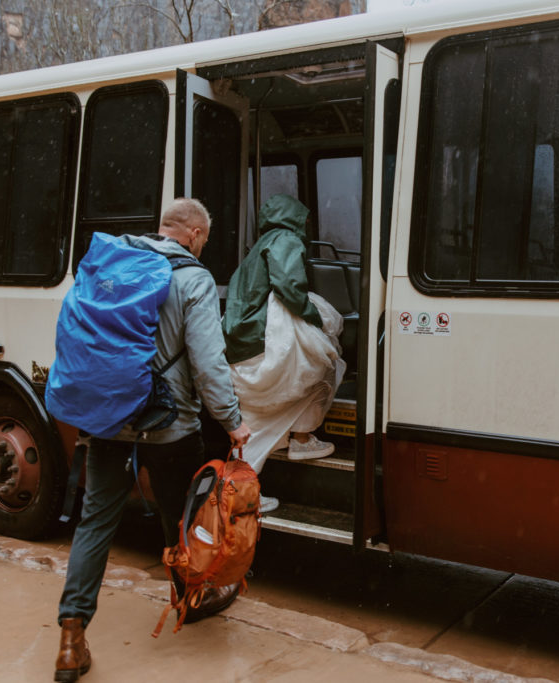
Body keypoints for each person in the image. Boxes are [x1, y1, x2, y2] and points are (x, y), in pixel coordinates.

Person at [54, 198, 251, 682]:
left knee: (96, 520)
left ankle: (71, 636)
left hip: (107, 417)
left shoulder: (113, 265)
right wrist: (232, 421)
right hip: (170, 424)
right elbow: (207, 364)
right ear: (197, 235)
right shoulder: (193, 278)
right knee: (180, 515)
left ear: (163, 229)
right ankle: (188, 597)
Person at [223, 194, 345, 514]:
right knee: (322, 369)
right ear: (294, 218)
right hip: (262, 342)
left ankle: (244, 484)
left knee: (256, 419)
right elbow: (289, 286)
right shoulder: (285, 239)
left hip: (240, 344)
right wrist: (314, 317)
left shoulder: (257, 247)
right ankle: (300, 441)